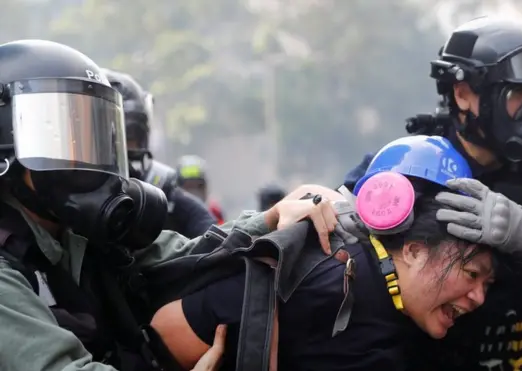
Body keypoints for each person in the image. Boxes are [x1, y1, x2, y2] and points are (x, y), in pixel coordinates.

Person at [0, 39, 345, 371]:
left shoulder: (80, 233)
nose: (84, 160)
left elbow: (191, 257)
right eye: (62, 141)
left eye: (89, 138)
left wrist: (272, 219)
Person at [345, 16, 522, 371]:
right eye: (520, 96)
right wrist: (310, 202)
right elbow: (339, 245)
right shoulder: (410, 162)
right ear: (463, 94)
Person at [151, 135, 496, 371]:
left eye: (487, 283)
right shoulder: (325, 275)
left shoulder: (406, 313)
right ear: (415, 250)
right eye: (471, 274)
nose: (479, 296)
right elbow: (164, 332)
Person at [103, 68, 216, 238]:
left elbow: (214, 238)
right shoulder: (64, 197)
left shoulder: (162, 195)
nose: (119, 147)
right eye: (108, 137)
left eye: (129, 135)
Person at [176, 154, 225, 224]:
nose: (195, 192)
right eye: (189, 187)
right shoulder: (171, 215)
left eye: (199, 186)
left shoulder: (215, 212)